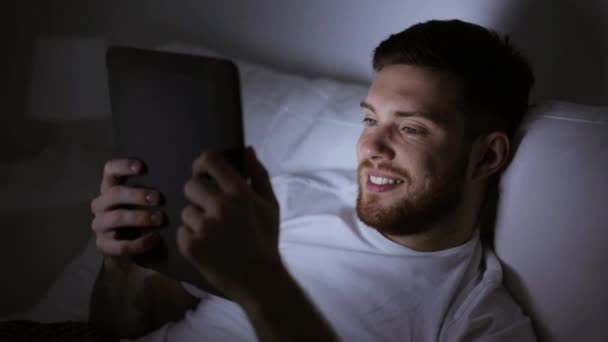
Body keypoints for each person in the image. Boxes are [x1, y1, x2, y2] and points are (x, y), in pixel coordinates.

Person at [89, 19, 537, 341]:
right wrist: (122, 262)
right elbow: (127, 323)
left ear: (488, 156)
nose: (371, 148)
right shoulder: (290, 200)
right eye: (369, 120)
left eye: (411, 128)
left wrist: (260, 280)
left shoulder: (473, 321)